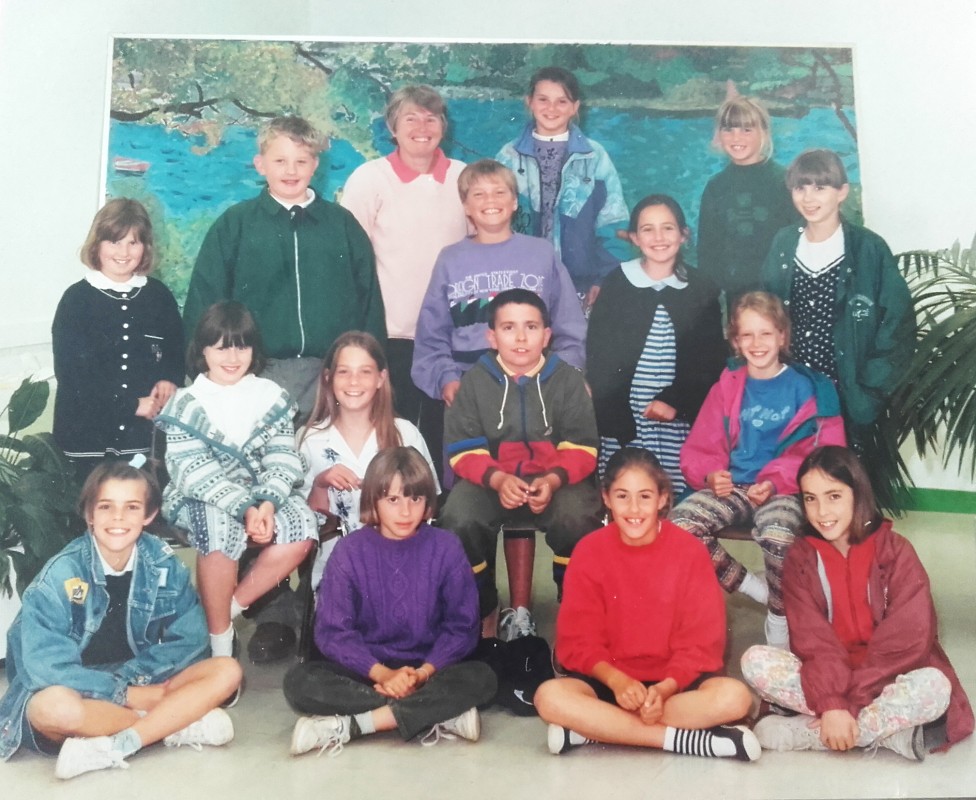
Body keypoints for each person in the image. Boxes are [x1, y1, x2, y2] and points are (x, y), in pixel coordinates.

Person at [0, 461, 242, 778]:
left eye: (131, 507)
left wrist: (135, 684)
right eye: (106, 507)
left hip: (138, 675)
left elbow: (191, 641)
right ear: (89, 514)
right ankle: (171, 725)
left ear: (148, 515)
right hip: (76, 685)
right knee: (53, 709)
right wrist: (124, 695)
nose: (118, 518)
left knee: (227, 670)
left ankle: (121, 742)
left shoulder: (164, 564)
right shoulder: (61, 575)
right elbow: (44, 670)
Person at [742, 446, 974, 759]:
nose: (822, 512)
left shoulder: (896, 551)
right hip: (826, 676)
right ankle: (889, 735)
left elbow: (907, 642)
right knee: (755, 660)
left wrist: (845, 704)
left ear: (857, 494)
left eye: (834, 496)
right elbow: (814, 642)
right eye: (810, 498)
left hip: (887, 676)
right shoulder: (801, 557)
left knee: (934, 686)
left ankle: (813, 732)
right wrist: (833, 701)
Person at [534, 447, 760, 761]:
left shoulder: (690, 552)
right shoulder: (588, 551)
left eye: (645, 496)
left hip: (674, 688)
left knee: (735, 698)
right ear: (606, 498)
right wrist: (617, 681)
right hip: (609, 684)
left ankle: (597, 729)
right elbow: (578, 641)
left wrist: (666, 688)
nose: (634, 508)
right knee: (549, 697)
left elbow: (702, 644)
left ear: (663, 498)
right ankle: (684, 741)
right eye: (622, 496)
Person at [283, 447, 497, 755]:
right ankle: (435, 713)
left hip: (430, 669)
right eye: (393, 500)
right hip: (367, 671)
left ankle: (359, 724)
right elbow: (333, 632)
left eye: (415, 499)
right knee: (299, 681)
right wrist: (384, 675)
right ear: (373, 500)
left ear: (428, 502)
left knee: (483, 677)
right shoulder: (349, 551)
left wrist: (422, 673)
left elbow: (462, 627)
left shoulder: (446, 547)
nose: (406, 512)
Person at [671, 291, 846, 649]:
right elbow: (701, 445)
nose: (757, 343)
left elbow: (821, 455)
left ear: (783, 336)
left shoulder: (809, 388)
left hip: (786, 489)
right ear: (735, 341)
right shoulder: (727, 386)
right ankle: (759, 590)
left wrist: (774, 481)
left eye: (766, 333)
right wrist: (711, 474)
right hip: (734, 487)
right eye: (747, 335)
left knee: (778, 534)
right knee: (680, 526)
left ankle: (779, 618)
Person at [183, 115, 385, 419]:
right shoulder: (235, 224)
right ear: (260, 164)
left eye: (301, 161)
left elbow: (369, 303)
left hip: (331, 375)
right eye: (280, 161)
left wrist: (374, 365)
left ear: (315, 165)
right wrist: (202, 373)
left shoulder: (342, 225)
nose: (291, 171)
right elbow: (204, 302)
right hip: (254, 374)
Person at [155, 302, 318, 680]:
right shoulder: (186, 402)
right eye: (221, 347)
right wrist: (246, 508)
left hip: (265, 493)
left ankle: (220, 616)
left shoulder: (270, 394)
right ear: (203, 350)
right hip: (203, 493)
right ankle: (220, 653)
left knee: (301, 527)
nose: (232, 358)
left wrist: (267, 503)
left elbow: (282, 456)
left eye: (241, 347)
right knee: (218, 530)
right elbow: (195, 471)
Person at [411, 158, 587, 485]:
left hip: (536, 389)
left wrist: (568, 377)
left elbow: (570, 326)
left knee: (533, 485)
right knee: (474, 489)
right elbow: (431, 336)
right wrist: (447, 379)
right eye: (478, 194)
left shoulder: (541, 253)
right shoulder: (450, 259)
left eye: (499, 192)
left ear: (515, 201)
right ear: (465, 206)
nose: (490, 200)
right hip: (471, 389)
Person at [438, 289, 602, 640]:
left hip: (555, 481)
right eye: (509, 327)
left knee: (578, 516)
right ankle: (484, 603)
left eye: (531, 326)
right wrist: (497, 479)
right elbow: (463, 449)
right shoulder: (475, 382)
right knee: (458, 518)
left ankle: (574, 605)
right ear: (491, 337)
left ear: (547, 335)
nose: (521, 337)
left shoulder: (568, 380)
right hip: (491, 481)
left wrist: (553, 480)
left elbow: (582, 447)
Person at [760, 149, 915, 451]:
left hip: (849, 399)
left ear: (842, 192)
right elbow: (765, 314)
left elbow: (898, 326)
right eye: (800, 188)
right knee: (791, 472)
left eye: (820, 187)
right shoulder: (784, 244)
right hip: (793, 395)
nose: (809, 198)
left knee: (847, 476)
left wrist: (868, 392)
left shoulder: (868, 249)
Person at [340, 85, 469, 424]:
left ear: (443, 126)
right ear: (392, 127)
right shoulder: (369, 179)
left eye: (431, 118)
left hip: (452, 336)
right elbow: (350, 260)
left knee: (444, 435)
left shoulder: (463, 177)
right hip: (392, 336)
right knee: (396, 431)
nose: (422, 128)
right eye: (411, 118)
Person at [587, 194, 725, 494]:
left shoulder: (701, 288)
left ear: (683, 235)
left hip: (678, 419)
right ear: (635, 238)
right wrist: (613, 412)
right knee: (630, 489)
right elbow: (599, 356)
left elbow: (710, 360)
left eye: (668, 228)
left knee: (674, 496)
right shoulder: (617, 283)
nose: (658, 237)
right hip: (626, 416)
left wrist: (676, 401)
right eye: (648, 229)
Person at [52, 198, 183, 480]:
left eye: (133, 242)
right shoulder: (76, 300)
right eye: (114, 241)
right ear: (97, 245)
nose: (123, 252)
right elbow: (73, 377)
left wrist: (169, 379)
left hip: (142, 439)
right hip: (86, 439)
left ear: (145, 247)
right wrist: (131, 406)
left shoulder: (159, 296)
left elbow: (175, 350)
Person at [298, 330, 439, 585]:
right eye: (344, 372)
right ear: (328, 378)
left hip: (402, 569)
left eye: (365, 372)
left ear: (380, 378)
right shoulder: (309, 439)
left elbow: (429, 506)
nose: (354, 381)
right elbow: (303, 524)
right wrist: (320, 484)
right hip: (337, 574)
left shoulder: (405, 433)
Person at [496, 66, 630, 313]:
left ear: (575, 107)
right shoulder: (508, 156)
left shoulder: (595, 156)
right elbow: (493, 222)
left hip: (580, 285)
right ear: (529, 102)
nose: (552, 108)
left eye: (562, 101)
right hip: (519, 282)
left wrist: (605, 277)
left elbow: (612, 221)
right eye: (543, 99)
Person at [697, 96, 798, 311]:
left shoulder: (785, 182)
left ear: (764, 132)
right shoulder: (716, 187)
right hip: (738, 299)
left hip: (783, 297)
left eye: (746, 130)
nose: (736, 137)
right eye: (729, 130)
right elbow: (708, 253)